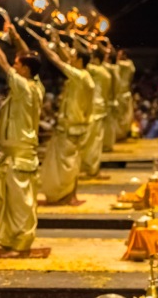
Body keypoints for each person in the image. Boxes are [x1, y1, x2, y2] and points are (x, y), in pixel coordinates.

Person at [0, 24, 44, 251]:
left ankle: (21, 240)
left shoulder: (23, 87)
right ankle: (13, 238)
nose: (14, 65)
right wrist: (17, 37)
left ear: (26, 70)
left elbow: (1, 63)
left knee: (20, 203)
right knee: (13, 201)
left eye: (18, 64)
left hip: (19, 155)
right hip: (18, 153)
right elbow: (28, 55)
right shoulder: (35, 84)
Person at [37, 32, 95, 205]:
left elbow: (59, 62)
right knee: (70, 163)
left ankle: (66, 196)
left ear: (80, 61)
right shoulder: (83, 74)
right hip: (73, 126)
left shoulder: (80, 76)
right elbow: (66, 58)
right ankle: (69, 196)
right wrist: (57, 41)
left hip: (71, 127)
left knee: (67, 165)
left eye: (74, 56)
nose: (71, 57)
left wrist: (45, 49)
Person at [80, 47, 112, 178]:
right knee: (95, 141)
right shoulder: (106, 72)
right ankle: (92, 168)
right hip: (100, 107)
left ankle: (90, 168)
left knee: (90, 141)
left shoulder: (96, 71)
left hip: (94, 108)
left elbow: (80, 62)